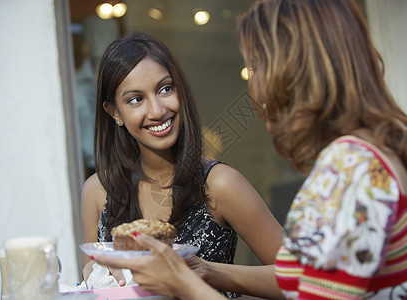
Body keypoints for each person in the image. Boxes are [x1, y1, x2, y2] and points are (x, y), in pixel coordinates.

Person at [91, 0, 407, 299]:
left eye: (255, 67)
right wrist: (203, 271)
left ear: (292, 71)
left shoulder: (350, 168)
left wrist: (181, 281)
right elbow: (310, 279)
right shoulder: (371, 156)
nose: (253, 84)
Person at [80, 32, 283, 298]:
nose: (157, 111)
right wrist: (93, 274)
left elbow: (304, 280)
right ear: (114, 112)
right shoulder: (98, 191)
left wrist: (207, 270)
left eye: (166, 89)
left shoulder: (219, 184)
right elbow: (92, 283)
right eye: (135, 99)